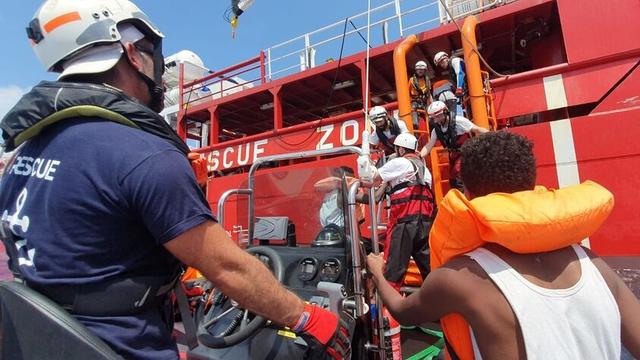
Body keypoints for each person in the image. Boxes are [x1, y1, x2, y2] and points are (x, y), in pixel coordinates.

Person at [0, 1, 350, 359]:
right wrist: (306, 316)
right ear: (133, 54)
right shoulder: (142, 152)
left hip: (37, 336)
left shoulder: (23, 154)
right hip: (123, 345)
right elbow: (228, 268)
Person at [368, 132, 640, 360]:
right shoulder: (593, 264)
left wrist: (378, 272)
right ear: (532, 184)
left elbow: (403, 312)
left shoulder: (459, 279)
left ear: (468, 194)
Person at [368, 133, 435, 290]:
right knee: (430, 269)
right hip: (425, 225)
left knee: (393, 272)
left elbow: (372, 179)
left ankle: (389, 311)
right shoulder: (426, 171)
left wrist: (367, 165)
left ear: (401, 150)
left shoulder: (399, 163)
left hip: (403, 224)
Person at [420, 101, 487, 190]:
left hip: (466, 153)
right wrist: (419, 156)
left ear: (445, 111)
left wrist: (494, 136)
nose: (436, 120)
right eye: (434, 117)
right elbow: (429, 145)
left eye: (438, 116)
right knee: (453, 180)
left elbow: (477, 129)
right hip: (453, 155)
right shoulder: (436, 130)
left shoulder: (459, 121)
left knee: (459, 175)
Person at [409, 60, 432, 129]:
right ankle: (416, 134)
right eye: (418, 70)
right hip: (415, 102)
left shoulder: (428, 81)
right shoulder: (411, 80)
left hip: (424, 103)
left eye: (422, 70)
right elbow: (407, 92)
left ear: (425, 71)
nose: (420, 71)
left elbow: (429, 94)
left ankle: (433, 133)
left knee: (430, 120)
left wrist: (431, 104)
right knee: (415, 122)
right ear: (416, 70)